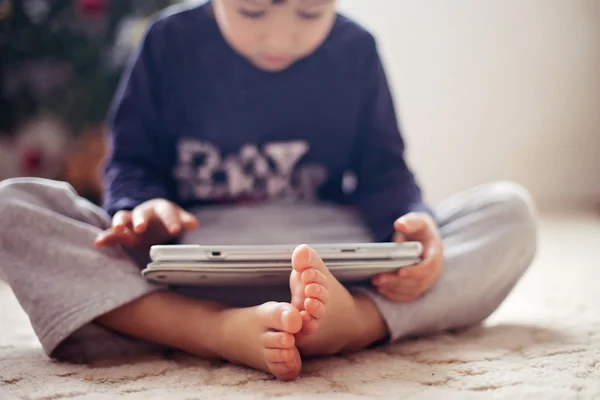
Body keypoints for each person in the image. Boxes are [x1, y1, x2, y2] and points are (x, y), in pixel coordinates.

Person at [0, 0, 537, 381]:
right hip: (188, 258)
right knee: (12, 208)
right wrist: (143, 208)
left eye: (311, 12)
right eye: (253, 10)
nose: (281, 37)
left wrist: (409, 223)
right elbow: (132, 161)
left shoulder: (355, 51)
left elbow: (383, 171)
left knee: (509, 213)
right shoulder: (169, 43)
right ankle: (212, 329)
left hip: (327, 259)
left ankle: (356, 323)